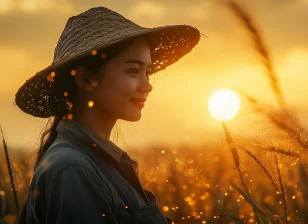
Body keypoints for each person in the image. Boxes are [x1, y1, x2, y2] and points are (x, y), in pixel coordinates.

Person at [14, 6, 202, 224]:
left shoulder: (95, 161)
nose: (147, 86)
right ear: (85, 79)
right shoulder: (73, 168)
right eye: (133, 71)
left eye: (147, 73)